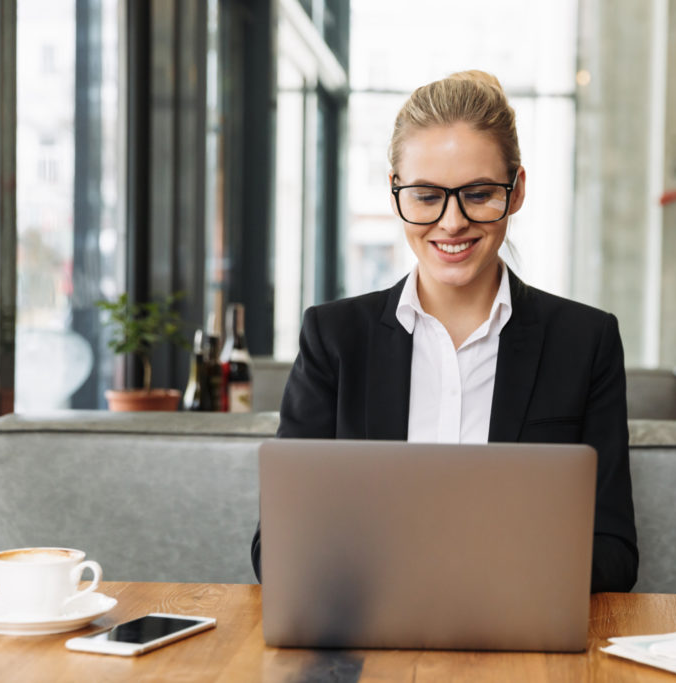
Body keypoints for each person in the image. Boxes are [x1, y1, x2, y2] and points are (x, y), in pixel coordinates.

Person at [252, 70, 638, 592]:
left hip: (518, 642)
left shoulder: (585, 342)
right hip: (368, 639)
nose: (452, 222)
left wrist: (483, 578)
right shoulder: (334, 339)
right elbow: (275, 547)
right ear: (395, 192)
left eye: (478, 194)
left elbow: (614, 553)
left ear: (516, 189)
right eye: (427, 196)